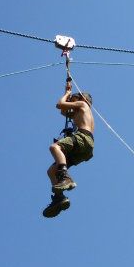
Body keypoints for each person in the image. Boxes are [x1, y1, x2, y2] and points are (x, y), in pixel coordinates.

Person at [42, 79, 94, 218]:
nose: (71, 100)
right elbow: (63, 112)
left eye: (73, 98)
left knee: (54, 147)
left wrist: (67, 94)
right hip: (84, 149)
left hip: (83, 138)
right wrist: (67, 92)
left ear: (82, 99)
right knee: (51, 171)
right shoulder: (78, 112)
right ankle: (59, 198)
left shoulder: (83, 104)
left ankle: (65, 177)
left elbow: (59, 105)